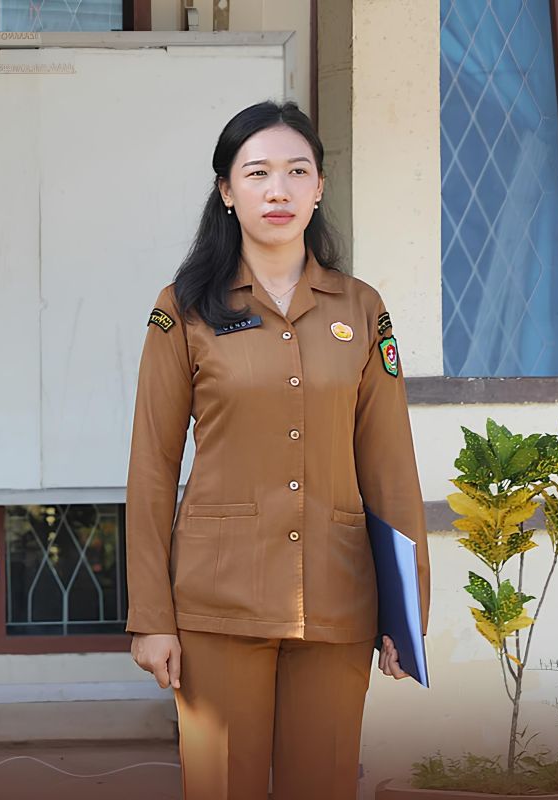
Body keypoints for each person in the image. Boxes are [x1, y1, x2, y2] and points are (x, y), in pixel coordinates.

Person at [125, 100, 430, 799]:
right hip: (218, 603)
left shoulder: (361, 308)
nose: (278, 190)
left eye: (297, 171)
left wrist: (406, 613)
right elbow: (151, 467)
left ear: (320, 186)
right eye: (257, 173)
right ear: (227, 192)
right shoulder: (185, 308)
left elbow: (390, 464)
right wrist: (151, 618)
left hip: (338, 599)